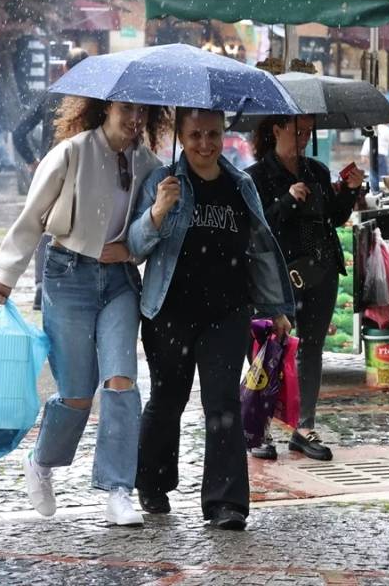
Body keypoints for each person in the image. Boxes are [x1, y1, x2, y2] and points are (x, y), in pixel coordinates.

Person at [0, 96, 169, 527]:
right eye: (127, 109)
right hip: (68, 277)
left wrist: (152, 222)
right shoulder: (71, 152)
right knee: (78, 393)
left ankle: (118, 489)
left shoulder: (150, 164)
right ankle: (42, 460)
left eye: (142, 111)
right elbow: (32, 218)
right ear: (105, 109)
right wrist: (6, 278)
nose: (135, 119)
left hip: (120, 281)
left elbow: (147, 232)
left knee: (121, 382)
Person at [127, 107, 295, 531]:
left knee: (222, 405)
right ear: (181, 136)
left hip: (227, 312)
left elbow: (260, 247)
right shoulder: (162, 183)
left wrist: (277, 308)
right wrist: (158, 211)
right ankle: (153, 481)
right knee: (168, 400)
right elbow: (135, 245)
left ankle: (226, 503)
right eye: (196, 134)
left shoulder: (240, 185)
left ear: (224, 135)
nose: (205, 143)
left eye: (213, 134)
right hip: (170, 313)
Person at [246, 115, 364, 462]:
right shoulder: (256, 176)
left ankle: (304, 426)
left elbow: (333, 218)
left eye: (308, 132)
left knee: (311, 348)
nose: (302, 138)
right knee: (269, 348)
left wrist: (351, 191)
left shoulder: (316, 170)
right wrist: (286, 200)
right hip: (278, 276)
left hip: (321, 272)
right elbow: (257, 226)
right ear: (275, 130)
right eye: (297, 131)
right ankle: (257, 426)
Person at [11, 48, 90, 310]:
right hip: (81, 172)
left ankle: (41, 285)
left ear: (65, 68)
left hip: (50, 171)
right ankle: (69, 282)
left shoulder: (51, 94)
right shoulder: (93, 98)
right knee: (76, 226)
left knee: (44, 226)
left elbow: (19, 131)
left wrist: (34, 162)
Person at [360, 123, 389, 193]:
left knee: (374, 176)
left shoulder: (374, 128)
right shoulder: (388, 131)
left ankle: (374, 191)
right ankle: (378, 193)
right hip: (381, 157)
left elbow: (367, 141)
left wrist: (363, 154)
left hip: (372, 155)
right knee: (382, 178)